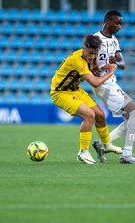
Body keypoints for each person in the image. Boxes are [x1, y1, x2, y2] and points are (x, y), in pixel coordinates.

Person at [50, 34, 118, 164]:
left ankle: (105, 145)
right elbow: (95, 83)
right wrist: (110, 72)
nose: (92, 57)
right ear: (83, 49)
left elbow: (92, 68)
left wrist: (102, 67)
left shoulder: (90, 57)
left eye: (95, 53)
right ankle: (83, 153)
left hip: (74, 89)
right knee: (89, 115)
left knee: (100, 114)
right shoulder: (77, 60)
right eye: (90, 53)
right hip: (60, 92)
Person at [91, 10, 135, 164]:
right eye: (117, 22)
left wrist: (115, 63)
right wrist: (102, 67)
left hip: (112, 83)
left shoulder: (114, 41)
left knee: (131, 118)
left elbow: (123, 64)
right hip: (103, 84)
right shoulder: (95, 39)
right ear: (108, 20)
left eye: (121, 23)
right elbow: (90, 64)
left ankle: (101, 144)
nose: (119, 26)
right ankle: (126, 155)